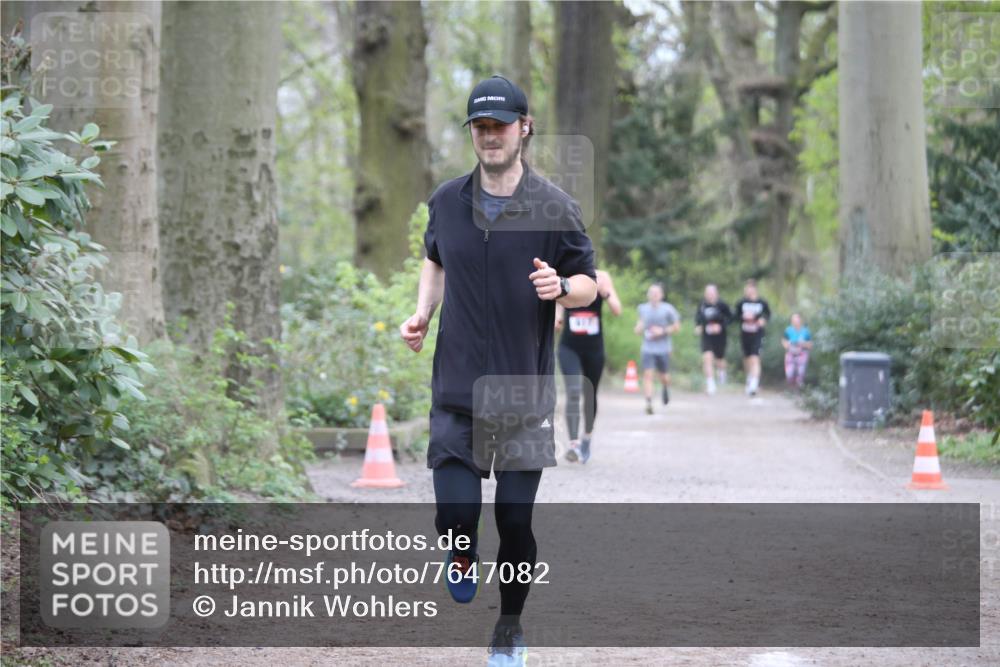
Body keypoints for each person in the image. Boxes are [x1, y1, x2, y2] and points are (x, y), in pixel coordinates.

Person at [399, 74, 597, 667]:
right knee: (457, 517)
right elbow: (434, 261)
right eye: (480, 127)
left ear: (524, 127)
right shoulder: (446, 201)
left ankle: (509, 626)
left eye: (500, 125)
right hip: (456, 388)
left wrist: (560, 286)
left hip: (522, 394)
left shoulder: (556, 207)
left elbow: (588, 284)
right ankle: (461, 553)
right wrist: (421, 313)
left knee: (515, 524)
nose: (490, 136)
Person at [555, 269, 622, 464]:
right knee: (574, 391)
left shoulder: (602, 277)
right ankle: (574, 445)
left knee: (590, 394)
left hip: (594, 349)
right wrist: (557, 320)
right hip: (569, 347)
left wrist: (605, 293)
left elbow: (617, 310)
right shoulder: (565, 276)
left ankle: (587, 438)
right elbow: (559, 307)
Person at [634, 283, 681, 415]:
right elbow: (641, 322)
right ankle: (649, 402)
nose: (654, 296)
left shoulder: (668, 309)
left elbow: (677, 326)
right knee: (648, 375)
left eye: (656, 293)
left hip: (663, 348)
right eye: (651, 293)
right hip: (648, 348)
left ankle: (665, 387)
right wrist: (638, 328)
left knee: (664, 376)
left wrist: (662, 331)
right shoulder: (642, 308)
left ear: (661, 295)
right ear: (648, 295)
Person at [734, 279, 771, 396]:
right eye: (746, 289)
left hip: (757, 335)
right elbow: (735, 316)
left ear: (755, 289)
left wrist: (762, 320)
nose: (748, 291)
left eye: (750, 288)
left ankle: (754, 385)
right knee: (747, 359)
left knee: (755, 358)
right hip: (745, 334)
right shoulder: (741, 303)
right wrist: (743, 317)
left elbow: (768, 315)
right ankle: (749, 378)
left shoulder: (762, 303)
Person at [693, 284, 732, 395]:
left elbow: (730, 318)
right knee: (707, 357)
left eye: (712, 293)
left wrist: (720, 326)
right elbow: (698, 319)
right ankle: (710, 384)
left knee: (719, 359)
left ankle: (722, 373)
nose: (709, 296)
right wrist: (698, 327)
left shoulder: (722, 305)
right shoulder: (702, 305)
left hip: (720, 336)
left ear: (716, 294)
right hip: (707, 336)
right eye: (708, 294)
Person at [782, 313, 813, 389]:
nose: (795, 322)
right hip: (791, 353)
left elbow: (810, 344)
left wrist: (803, 344)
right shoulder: (788, 330)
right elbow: (784, 341)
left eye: (797, 320)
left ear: (800, 321)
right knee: (789, 373)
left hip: (802, 353)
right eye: (793, 320)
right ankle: (791, 387)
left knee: (801, 373)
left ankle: (799, 389)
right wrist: (788, 345)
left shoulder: (806, 331)